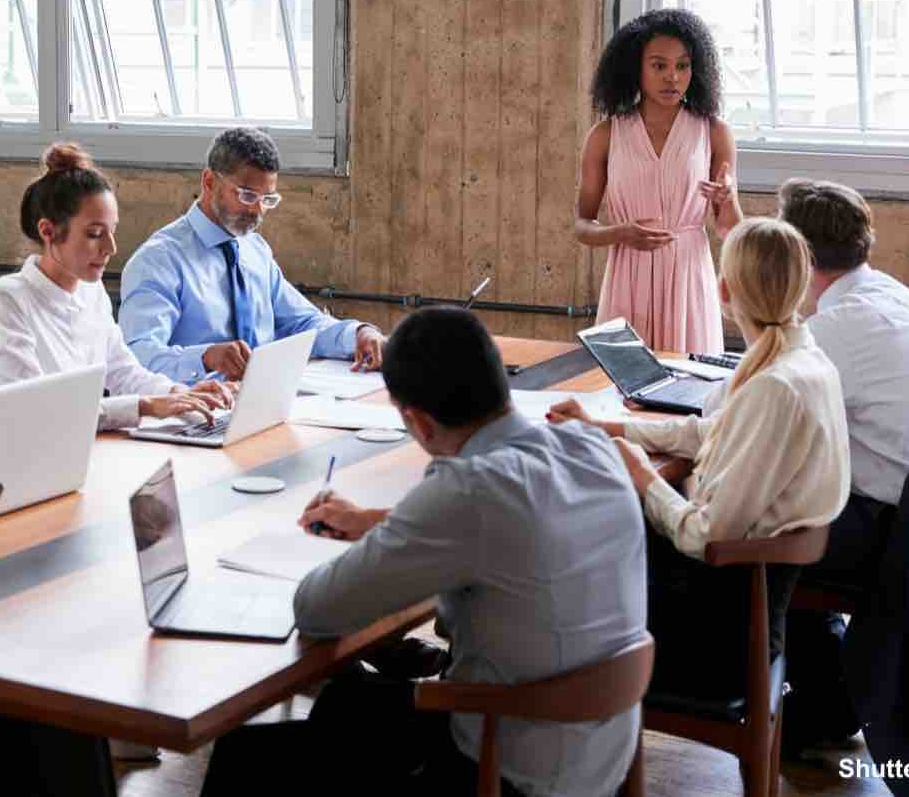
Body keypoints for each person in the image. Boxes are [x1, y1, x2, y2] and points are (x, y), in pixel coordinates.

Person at [200, 307, 648, 797]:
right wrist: (381, 524)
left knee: (246, 756)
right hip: (598, 751)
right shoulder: (590, 447)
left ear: (417, 420)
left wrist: (346, 548)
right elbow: (512, 532)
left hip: (501, 766)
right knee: (348, 702)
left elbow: (317, 609)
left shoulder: (469, 489)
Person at [549, 217, 850, 696]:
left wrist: (643, 476)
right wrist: (609, 426)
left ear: (725, 292)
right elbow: (718, 431)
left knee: (581, 532)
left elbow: (705, 534)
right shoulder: (806, 361)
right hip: (746, 607)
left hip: (714, 637)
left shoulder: (773, 386)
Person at [774, 178, 909, 752]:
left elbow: (758, 414)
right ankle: (831, 698)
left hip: (907, 531)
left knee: (763, 529)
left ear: (800, 254)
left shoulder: (836, 329)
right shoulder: (892, 295)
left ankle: (804, 704)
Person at [0, 144, 233, 435]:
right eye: (94, 234)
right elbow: (35, 406)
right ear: (48, 231)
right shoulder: (7, 299)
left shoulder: (91, 292)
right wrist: (144, 406)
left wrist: (178, 392)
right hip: (13, 461)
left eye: (111, 231)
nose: (111, 248)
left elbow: (123, 372)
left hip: (75, 447)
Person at [119, 126, 385, 382]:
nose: (258, 211)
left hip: (261, 401)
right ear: (209, 182)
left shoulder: (254, 250)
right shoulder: (158, 261)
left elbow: (302, 322)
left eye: (268, 200)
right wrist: (204, 358)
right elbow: (139, 358)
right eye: (247, 196)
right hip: (196, 409)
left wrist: (358, 333)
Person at [576, 7, 742, 354]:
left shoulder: (714, 133)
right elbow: (582, 225)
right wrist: (619, 233)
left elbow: (730, 230)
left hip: (688, 277)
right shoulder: (605, 135)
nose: (673, 77)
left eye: (683, 65)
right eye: (659, 65)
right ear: (635, 68)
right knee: (619, 391)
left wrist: (728, 200)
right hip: (628, 277)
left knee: (691, 394)